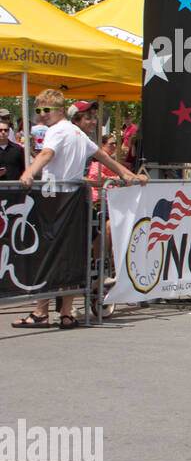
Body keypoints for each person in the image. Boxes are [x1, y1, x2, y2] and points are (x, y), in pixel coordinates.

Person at [12, 90, 147, 329]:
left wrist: (29, 172)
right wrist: (125, 173)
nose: (42, 116)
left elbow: (47, 153)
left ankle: (42, 312)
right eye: (39, 111)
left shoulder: (58, 130)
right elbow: (102, 156)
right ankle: (66, 313)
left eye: (46, 111)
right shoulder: (77, 133)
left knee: (50, 256)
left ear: (60, 111)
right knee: (69, 258)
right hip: (74, 200)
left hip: (55, 198)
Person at [0, 119, 24, 204]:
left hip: (14, 192)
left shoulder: (18, 149)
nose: (3, 132)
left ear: (9, 132)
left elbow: (24, 169)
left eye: (5, 130)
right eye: (0, 130)